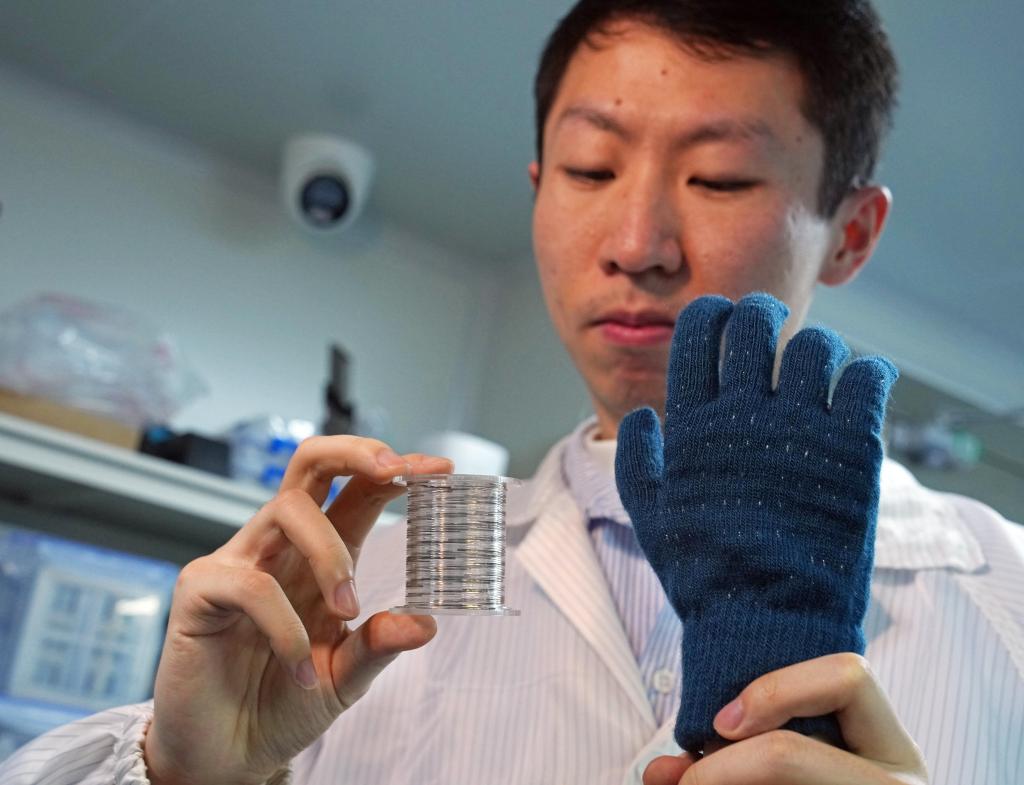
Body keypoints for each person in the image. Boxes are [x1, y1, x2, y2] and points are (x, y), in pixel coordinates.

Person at [3, 2, 1023, 784]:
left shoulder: (1006, 591)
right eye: (589, 169)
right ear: (538, 190)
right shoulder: (376, 581)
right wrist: (184, 775)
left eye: (720, 179)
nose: (637, 245)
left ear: (849, 232)